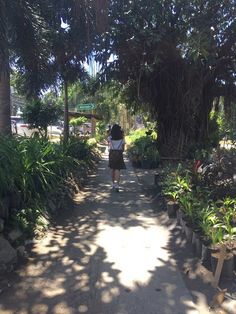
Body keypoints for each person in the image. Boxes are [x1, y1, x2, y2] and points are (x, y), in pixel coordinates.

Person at [108, 124, 126, 192]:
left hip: (112, 154)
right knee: (118, 169)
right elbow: (123, 149)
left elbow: (108, 143)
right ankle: (117, 185)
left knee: (112, 168)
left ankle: (113, 184)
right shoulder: (122, 139)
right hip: (119, 154)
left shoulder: (110, 138)